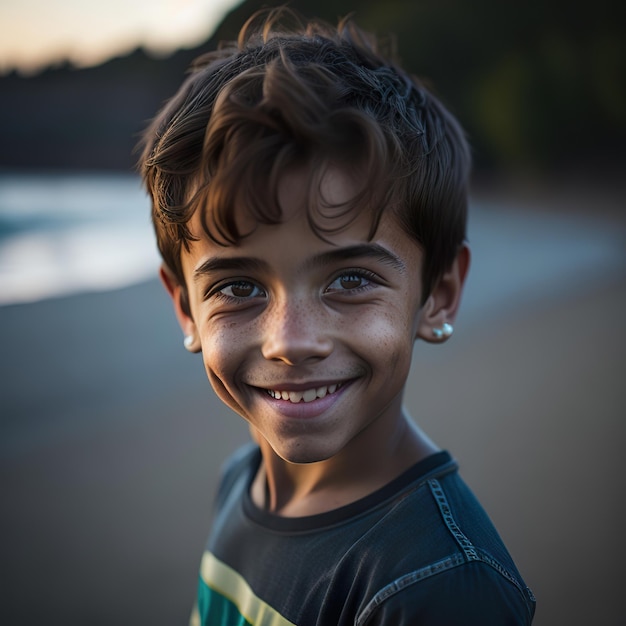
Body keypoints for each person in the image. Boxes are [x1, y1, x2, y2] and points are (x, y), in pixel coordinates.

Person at [139, 7, 536, 625]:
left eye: (351, 279)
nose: (292, 341)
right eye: (239, 286)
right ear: (186, 307)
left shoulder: (436, 587)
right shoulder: (241, 480)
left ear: (438, 293)